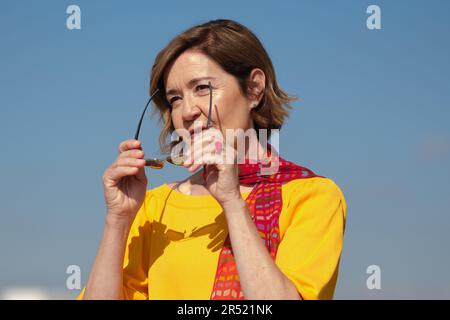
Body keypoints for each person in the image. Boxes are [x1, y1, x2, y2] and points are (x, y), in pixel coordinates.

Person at [78, 19, 347, 300]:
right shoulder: (154, 206)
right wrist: (118, 220)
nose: (187, 111)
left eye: (203, 88)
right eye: (175, 99)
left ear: (254, 89)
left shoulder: (312, 196)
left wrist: (232, 201)